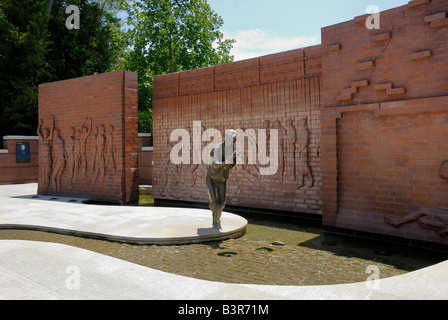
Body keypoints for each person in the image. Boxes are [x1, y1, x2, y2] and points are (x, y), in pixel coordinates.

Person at [206, 129, 240, 229]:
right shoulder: (217, 148)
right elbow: (215, 164)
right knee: (213, 202)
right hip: (211, 177)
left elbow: (232, 164)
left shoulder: (234, 150)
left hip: (222, 178)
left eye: (234, 140)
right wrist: (227, 161)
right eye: (231, 139)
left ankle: (216, 219)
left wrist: (229, 162)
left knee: (221, 203)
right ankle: (216, 221)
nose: (233, 142)